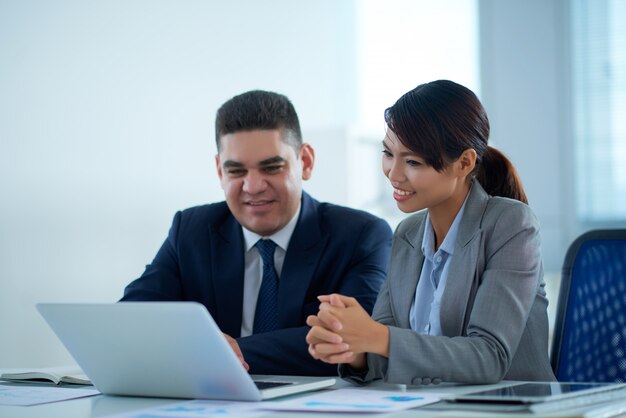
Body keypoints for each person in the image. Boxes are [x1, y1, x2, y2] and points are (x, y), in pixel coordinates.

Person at [121, 90, 392, 376]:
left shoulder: (361, 235)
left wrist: (229, 351)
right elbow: (133, 318)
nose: (253, 186)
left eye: (272, 167)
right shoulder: (191, 229)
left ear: (306, 162)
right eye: (236, 171)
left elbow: (353, 339)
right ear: (219, 170)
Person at [306, 80, 556, 385]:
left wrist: (377, 337)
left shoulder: (510, 224)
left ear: (464, 163)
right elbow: (387, 353)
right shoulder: (407, 233)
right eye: (388, 154)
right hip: (427, 407)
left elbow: (490, 357)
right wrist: (353, 348)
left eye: (413, 161)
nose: (393, 174)